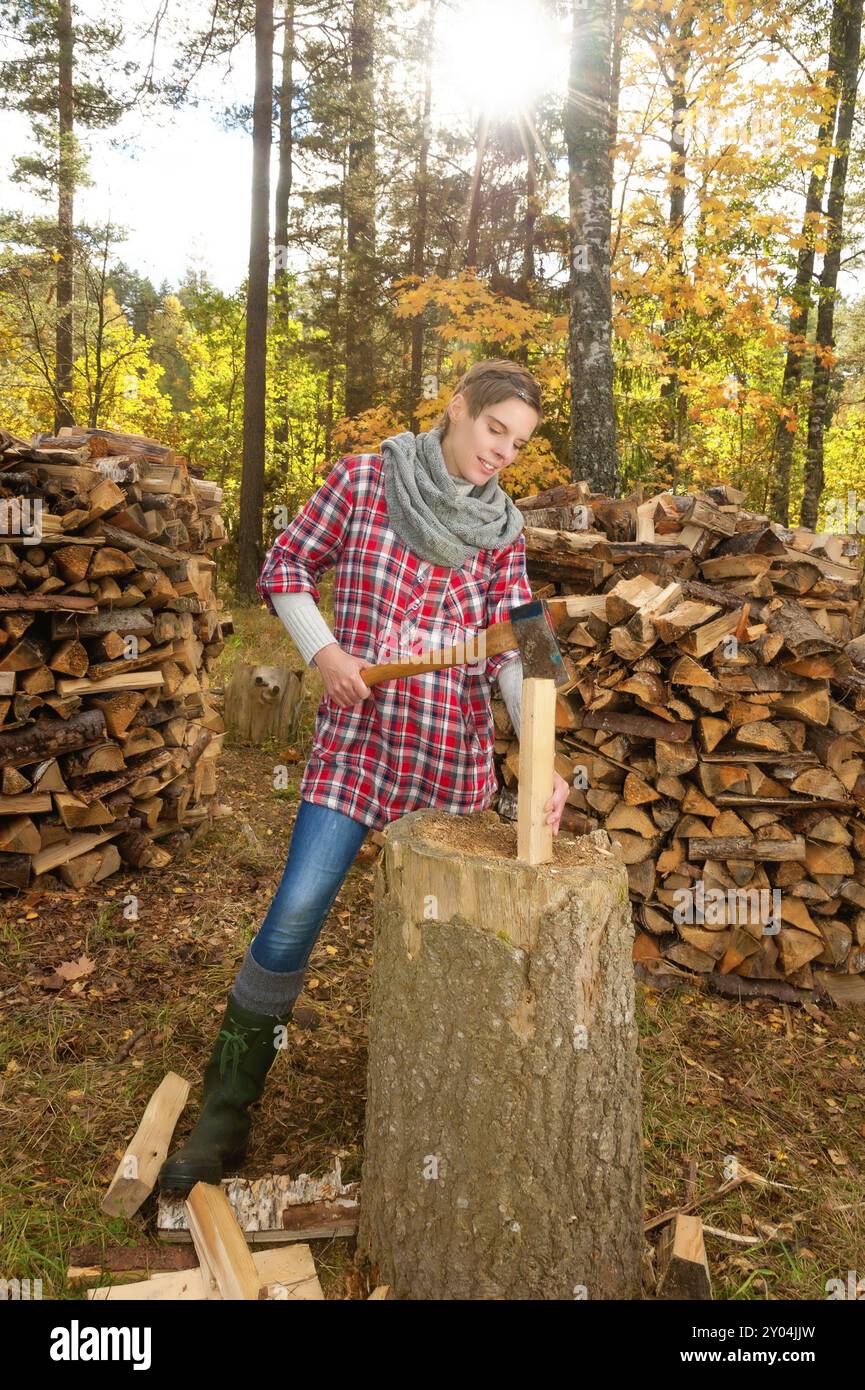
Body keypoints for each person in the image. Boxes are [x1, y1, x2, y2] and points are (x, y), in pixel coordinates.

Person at [158, 359, 569, 1193]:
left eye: (518, 444)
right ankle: (223, 1119)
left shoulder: (504, 529)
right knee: (291, 921)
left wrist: (541, 754)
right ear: (457, 409)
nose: (503, 453)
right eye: (495, 429)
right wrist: (327, 651)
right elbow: (284, 568)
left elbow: (522, 651)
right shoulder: (364, 479)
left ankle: (452, 1116)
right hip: (359, 741)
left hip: (450, 754)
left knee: (459, 943)